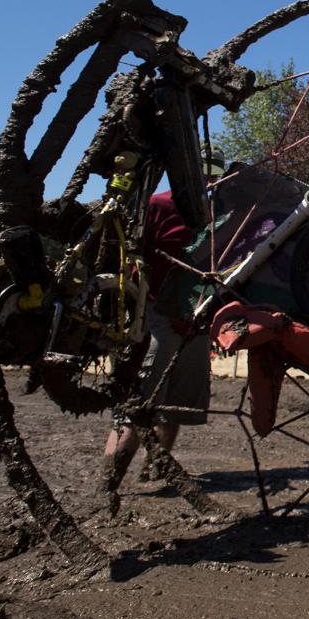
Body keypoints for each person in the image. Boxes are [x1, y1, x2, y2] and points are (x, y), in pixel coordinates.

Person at [103, 181, 216, 487]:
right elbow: (133, 259)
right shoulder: (157, 205)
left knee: (175, 405)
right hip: (157, 316)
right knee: (137, 404)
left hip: (196, 322)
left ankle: (155, 468)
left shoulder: (222, 214)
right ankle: (110, 480)